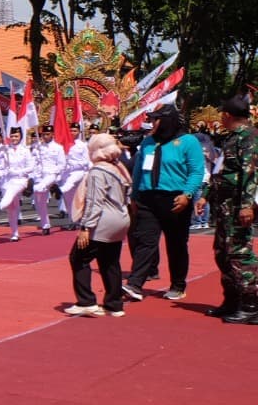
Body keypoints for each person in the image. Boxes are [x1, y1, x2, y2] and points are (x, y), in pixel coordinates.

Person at [124, 105, 205, 302]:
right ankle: (135, 283)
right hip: (147, 198)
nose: (151, 123)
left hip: (175, 199)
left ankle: (178, 284)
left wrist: (187, 194)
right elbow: (138, 171)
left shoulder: (188, 142)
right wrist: (134, 195)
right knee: (145, 241)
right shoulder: (148, 142)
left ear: (168, 121)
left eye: (156, 119)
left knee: (176, 244)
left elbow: (196, 171)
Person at [195, 96, 258, 322]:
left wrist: (247, 206)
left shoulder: (249, 138)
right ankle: (232, 300)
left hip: (237, 204)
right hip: (223, 205)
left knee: (239, 252)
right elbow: (219, 172)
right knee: (223, 252)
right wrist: (205, 196)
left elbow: (250, 174)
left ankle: (252, 303)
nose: (220, 117)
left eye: (222, 114)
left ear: (228, 115)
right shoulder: (230, 138)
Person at [64, 134, 133, 317]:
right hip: (120, 218)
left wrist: (86, 227)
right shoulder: (119, 167)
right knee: (110, 261)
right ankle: (114, 304)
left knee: (78, 258)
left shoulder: (98, 171)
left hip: (103, 221)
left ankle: (86, 301)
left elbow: (95, 201)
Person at [31, 125, 67, 235]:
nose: (45, 136)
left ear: (52, 134)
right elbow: (34, 162)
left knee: (38, 188)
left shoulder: (58, 148)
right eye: (43, 134)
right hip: (40, 176)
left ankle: (55, 187)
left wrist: (55, 176)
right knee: (39, 201)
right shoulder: (38, 147)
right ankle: (45, 225)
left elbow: (62, 165)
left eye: (47, 134)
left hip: (51, 175)